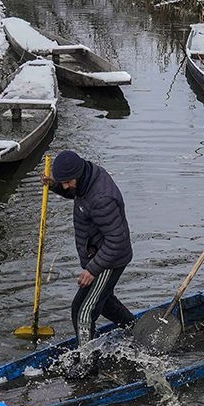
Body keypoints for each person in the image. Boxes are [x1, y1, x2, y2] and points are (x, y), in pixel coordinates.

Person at [46, 149, 136, 349]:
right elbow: (74, 192)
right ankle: (135, 330)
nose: (65, 186)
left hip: (110, 259)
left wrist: (93, 269)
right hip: (98, 253)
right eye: (63, 182)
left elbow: (117, 239)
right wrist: (54, 185)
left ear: (78, 175)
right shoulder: (85, 177)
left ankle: (87, 364)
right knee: (103, 301)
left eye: (68, 182)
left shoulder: (102, 198)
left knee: (83, 310)